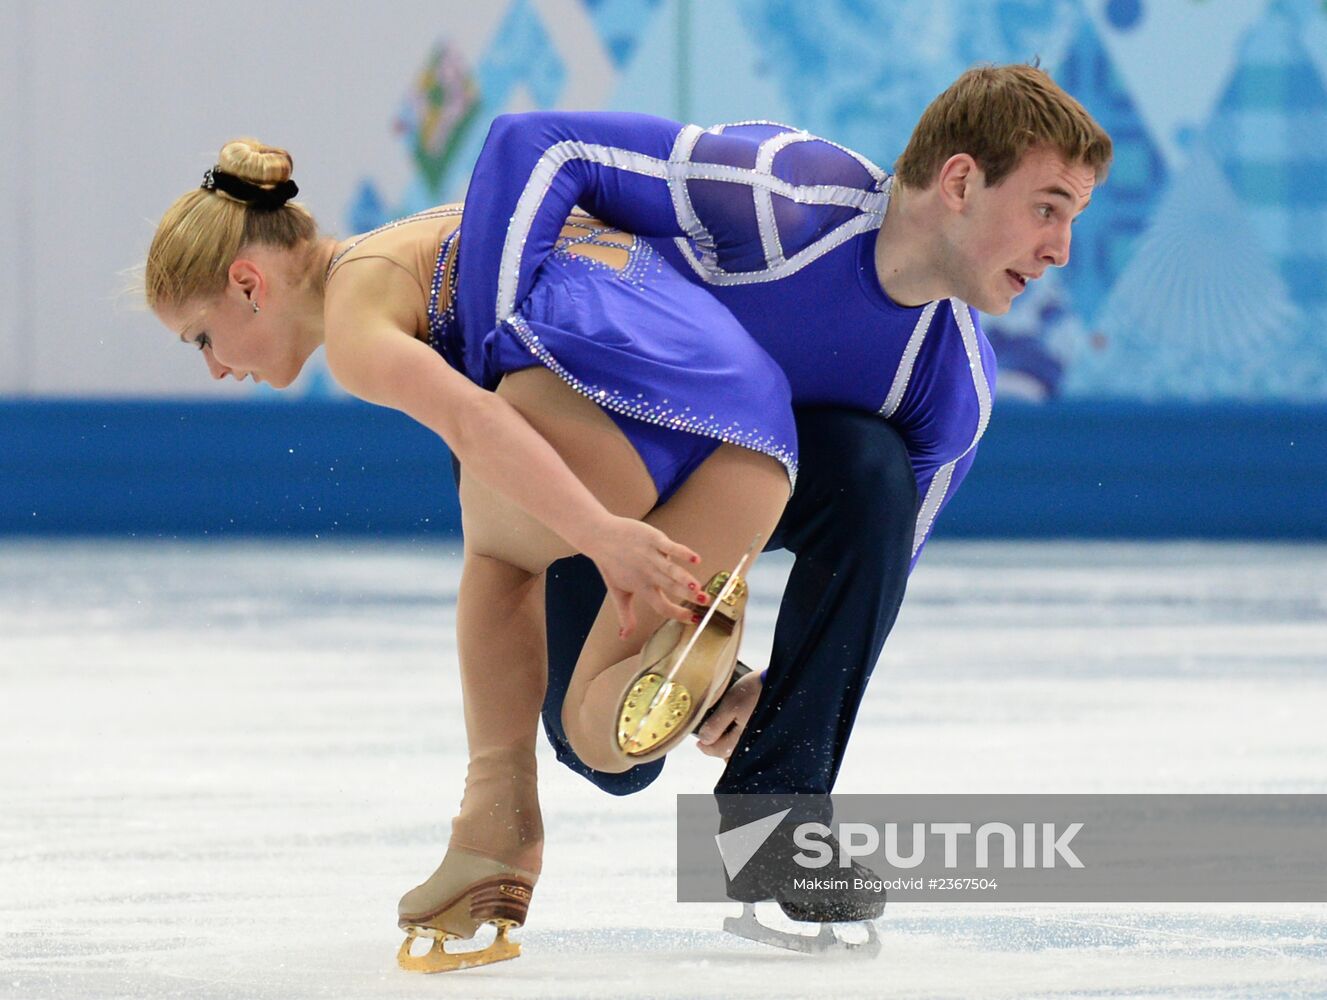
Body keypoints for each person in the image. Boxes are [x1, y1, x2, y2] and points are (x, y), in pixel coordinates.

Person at [455, 63, 1111, 944]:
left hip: (732, 498)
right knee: (610, 763)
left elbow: (877, 577)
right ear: (959, 182)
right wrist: (487, 382)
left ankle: (776, 819)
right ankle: (668, 656)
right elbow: (534, 143)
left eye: (1071, 217)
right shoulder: (775, 204)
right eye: (1048, 207)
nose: (1062, 246)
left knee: (874, 472)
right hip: (602, 484)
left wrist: (777, 693)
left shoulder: (951, 383)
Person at [145, 152, 801, 971]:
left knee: (497, 562)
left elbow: (475, 425)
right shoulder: (428, 230)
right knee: (599, 733)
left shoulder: (355, 318)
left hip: (624, 403)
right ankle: (709, 672)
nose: (212, 365)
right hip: (759, 432)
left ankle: (494, 838)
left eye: (201, 337)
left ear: (249, 283)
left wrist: (601, 535)